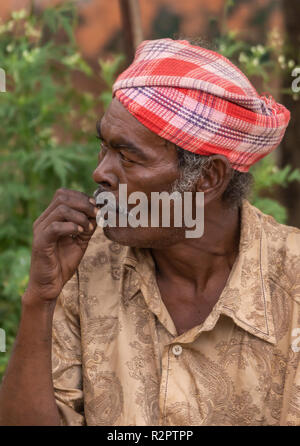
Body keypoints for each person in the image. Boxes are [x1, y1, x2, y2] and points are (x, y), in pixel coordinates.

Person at [0, 38, 299, 426]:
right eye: (103, 148)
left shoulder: (291, 282)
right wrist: (39, 299)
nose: (100, 173)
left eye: (127, 156)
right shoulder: (83, 266)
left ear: (208, 177)